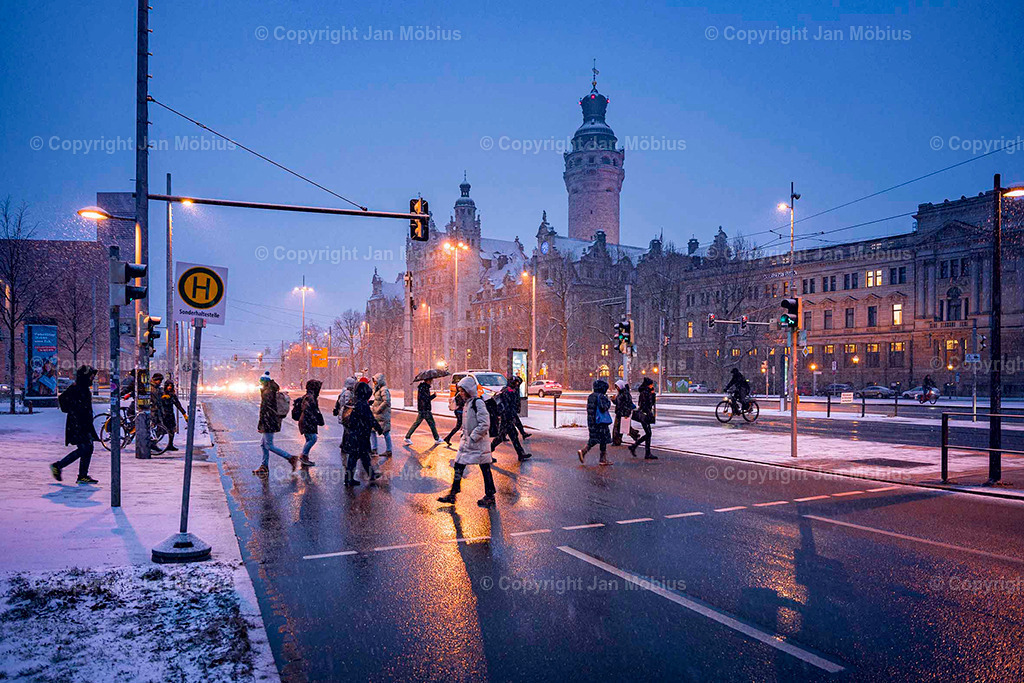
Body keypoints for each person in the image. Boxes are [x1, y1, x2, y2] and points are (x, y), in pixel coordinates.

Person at [437, 376, 497, 507]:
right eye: (460, 390)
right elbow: (452, 407)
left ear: (469, 390)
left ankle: (490, 496)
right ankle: (453, 493)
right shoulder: (467, 403)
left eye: (463, 390)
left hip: (478, 443)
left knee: (485, 468)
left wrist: (473, 437)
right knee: (459, 465)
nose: (461, 393)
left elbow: (484, 424)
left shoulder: (478, 403)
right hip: (468, 442)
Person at [50, 365, 99, 484]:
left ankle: (82, 475)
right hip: (78, 423)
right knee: (85, 448)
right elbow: (63, 400)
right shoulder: (77, 388)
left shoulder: (83, 388)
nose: (92, 379)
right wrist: (74, 410)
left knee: (88, 448)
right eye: (91, 377)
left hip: (83, 423)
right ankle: (59, 466)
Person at [254, 372, 298, 476]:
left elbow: (265, 411)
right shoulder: (270, 390)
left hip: (269, 422)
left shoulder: (268, 393)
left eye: (261, 382)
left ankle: (290, 458)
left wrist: (262, 425)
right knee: (264, 444)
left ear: (264, 382)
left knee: (269, 445)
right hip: (270, 421)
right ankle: (264, 466)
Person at [343, 381, 384, 486]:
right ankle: (349, 479)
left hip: (354, 433)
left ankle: (368, 475)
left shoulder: (355, 401)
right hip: (361, 435)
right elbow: (370, 418)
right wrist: (379, 428)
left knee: (362, 456)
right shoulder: (362, 404)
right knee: (357, 456)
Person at [490, 377, 531, 462]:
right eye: (516, 383)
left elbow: (513, 404)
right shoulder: (507, 392)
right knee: (501, 437)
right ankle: (487, 453)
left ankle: (521, 454)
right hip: (506, 418)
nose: (517, 385)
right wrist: (510, 416)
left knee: (513, 436)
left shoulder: (510, 391)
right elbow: (507, 406)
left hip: (509, 417)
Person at [578, 378, 612, 465]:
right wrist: (608, 402)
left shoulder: (591, 396)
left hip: (592, 421)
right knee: (603, 439)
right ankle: (601, 458)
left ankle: (584, 451)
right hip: (600, 422)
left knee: (594, 438)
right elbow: (604, 407)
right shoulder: (601, 396)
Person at [405, 379, 442, 444]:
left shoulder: (422, 387)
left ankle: (407, 437)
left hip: (422, 409)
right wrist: (433, 396)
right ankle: (437, 438)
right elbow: (426, 399)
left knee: (418, 423)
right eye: (430, 381)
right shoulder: (424, 388)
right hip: (425, 409)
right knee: (431, 424)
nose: (431, 382)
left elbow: (424, 398)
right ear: (428, 381)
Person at [629, 377, 658, 459]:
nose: (652, 386)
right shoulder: (645, 393)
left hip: (644, 415)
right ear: (648, 385)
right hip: (645, 415)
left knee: (648, 433)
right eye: (651, 384)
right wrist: (652, 395)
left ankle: (637, 448)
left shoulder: (645, 392)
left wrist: (652, 394)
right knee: (648, 433)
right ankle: (638, 448)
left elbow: (650, 403)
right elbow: (647, 404)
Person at [297, 379, 323, 466]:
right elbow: (308, 410)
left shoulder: (310, 396)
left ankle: (305, 458)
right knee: (313, 439)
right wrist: (315, 418)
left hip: (307, 421)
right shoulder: (310, 397)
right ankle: (303, 456)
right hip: (307, 421)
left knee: (309, 439)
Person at [156, 379, 187, 451]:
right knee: (160, 430)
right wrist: (162, 399)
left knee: (172, 430)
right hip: (162, 415)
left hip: (170, 415)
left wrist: (184, 414)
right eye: (168, 386)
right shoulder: (161, 393)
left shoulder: (172, 395)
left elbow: (178, 405)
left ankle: (170, 445)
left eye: (171, 386)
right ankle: (153, 444)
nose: (169, 387)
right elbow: (156, 402)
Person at [370, 373, 393, 457]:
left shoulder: (384, 390)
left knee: (385, 432)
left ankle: (388, 450)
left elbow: (386, 401)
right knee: (372, 431)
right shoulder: (378, 389)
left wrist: (378, 409)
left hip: (382, 415)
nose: (374, 383)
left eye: (375, 381)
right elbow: (378, 400)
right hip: (377, 415)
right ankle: (374, 449)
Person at [333, 377, 357, 452]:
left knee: (346, 430)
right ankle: (345, 446)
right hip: (346, 414)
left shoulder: (344, 392)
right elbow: (348, 403)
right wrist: (354, 404)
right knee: (347, 431)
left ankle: (344, 445)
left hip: (344, 413)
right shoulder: (348, 393)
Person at [612, 379, 637, 447]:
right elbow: (618, 403)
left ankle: (617, 441)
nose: (617, 388)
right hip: (619, 413)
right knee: (621, 427)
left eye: (617, 386)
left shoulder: (625, 394)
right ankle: (616, 441)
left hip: (623, 413)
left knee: (622, 427)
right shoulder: (620, 393)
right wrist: (613, 400)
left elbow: (628, 404)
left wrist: (626, 414)